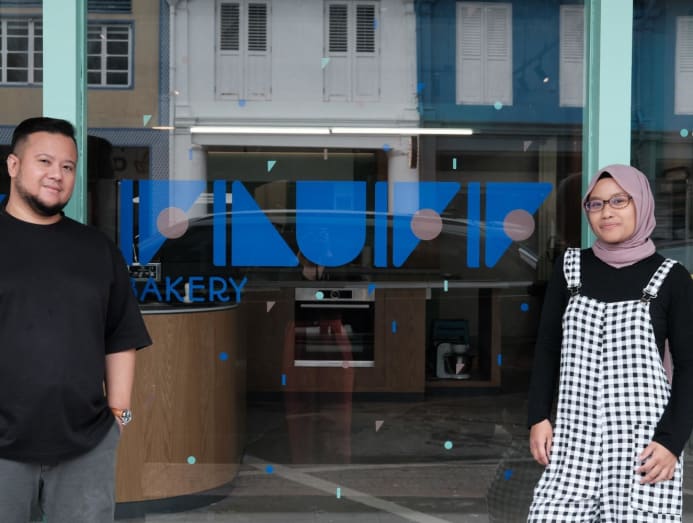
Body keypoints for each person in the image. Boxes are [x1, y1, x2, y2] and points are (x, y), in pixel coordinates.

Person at [0, 117, 152, 522]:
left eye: (67, 166)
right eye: (45, 161)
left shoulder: (97, 249)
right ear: (13, 165)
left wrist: (119, 415)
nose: (57, 174)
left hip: (86, 445)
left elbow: (120, 335)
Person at [527, 164, 693, 521]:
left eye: (619, 201)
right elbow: (547, 347)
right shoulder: (569, 268)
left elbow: (689, 367)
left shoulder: (672, 278)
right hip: (573, 440)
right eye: (596, 204)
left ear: (641, 204)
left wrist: (671, 442)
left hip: (644, 447)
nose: (607, 212)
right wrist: (538, 416)